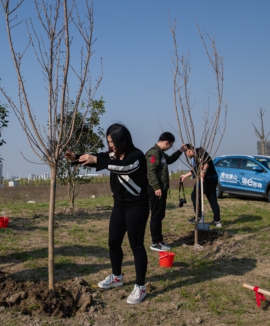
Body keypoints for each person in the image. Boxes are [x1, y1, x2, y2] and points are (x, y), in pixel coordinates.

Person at [64, 123, 149, 305]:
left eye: (112, 142)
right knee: (113, 242)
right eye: (108, 142)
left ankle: (140, 286)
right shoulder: (112, 155)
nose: (110, 146)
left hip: (137, 206)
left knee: (137, 246)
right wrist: (75, 158)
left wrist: (98, 161)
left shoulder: (137, 156)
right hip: (119, 206)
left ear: (122, 140)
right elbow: (98, 158)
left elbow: (124, 167)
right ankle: (117, 276)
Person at [145, 132, 186, 252]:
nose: (170, 148)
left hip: (161, 189)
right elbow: (151, 172)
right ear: (166, 142)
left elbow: (170, 159)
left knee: (160, 214)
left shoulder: (161, 153)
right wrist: (156, 187)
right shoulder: (154, 152)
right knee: (156, 215)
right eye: (170, 145)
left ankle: (159, 240)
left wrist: (180, 151)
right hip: (155, 189)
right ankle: (155, 242)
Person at [180, 144, 222, 227]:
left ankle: (198, 217)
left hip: (206, 179)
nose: (186, 156)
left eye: (186, 153)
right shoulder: (197, 156)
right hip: (212, 178)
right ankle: (217, 221)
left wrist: (203, 172)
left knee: (194, 196)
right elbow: (195, 170)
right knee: (212, 197)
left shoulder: (200, 151)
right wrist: (185, 176)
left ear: (189, 150)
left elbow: (206, 163)